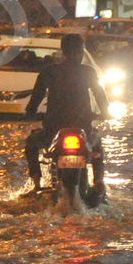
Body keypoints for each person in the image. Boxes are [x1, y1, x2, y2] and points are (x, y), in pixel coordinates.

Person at [24, 33, 109, 196]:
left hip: (52, 130)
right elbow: (100, 96)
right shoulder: (88, 71)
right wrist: (104, 113)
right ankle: (99, 182)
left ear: (63, 52)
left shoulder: (49, 71)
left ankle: (37, 183)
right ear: (82, 52)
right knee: (97, 146)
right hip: (83, 128)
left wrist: (30, 113)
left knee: (31, 143)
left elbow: (36, 97)